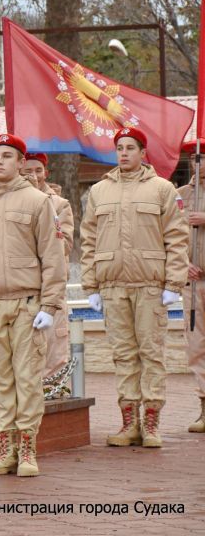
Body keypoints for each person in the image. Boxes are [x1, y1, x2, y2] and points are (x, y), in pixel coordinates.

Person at [0, 134, 66, 477]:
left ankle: (28, 450)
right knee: (0, 379)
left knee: (28, 378)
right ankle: (6, 450)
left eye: (7, 155)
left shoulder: (37, 201)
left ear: (21, 162)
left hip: (26, 305)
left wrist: (50, 306)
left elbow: (53, 258)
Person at [81, 127, 189, 448]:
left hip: (150, 285)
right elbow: (88, 241)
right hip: (113, 285)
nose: (124, 153)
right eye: (119, 148)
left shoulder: (162, 189)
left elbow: (177, 238)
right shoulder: (99, 191)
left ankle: (152, 423)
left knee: (151, 353)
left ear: (144, 153)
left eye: (130, 148)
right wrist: (91, 285)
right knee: (123, 355)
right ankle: (130, 423)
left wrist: (174, 283)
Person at [22, 152, 75, 377]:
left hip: (50, 286)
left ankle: (54, 401)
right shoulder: (9, 202)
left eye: (38, 170)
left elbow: (65, 244)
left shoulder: (60, 205)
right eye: (27, 171)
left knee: (54, 351)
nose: (34, 175)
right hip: (22, 285)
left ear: (46, 172)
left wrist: (43, 210)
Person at [177, 139, 205, 433]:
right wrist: (183, 264)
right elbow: (168, 238)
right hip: (194, 285)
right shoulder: (180, 197)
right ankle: (204, 404)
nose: (196, 163)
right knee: (197, 347)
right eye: (193, 159)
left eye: (201, 157)